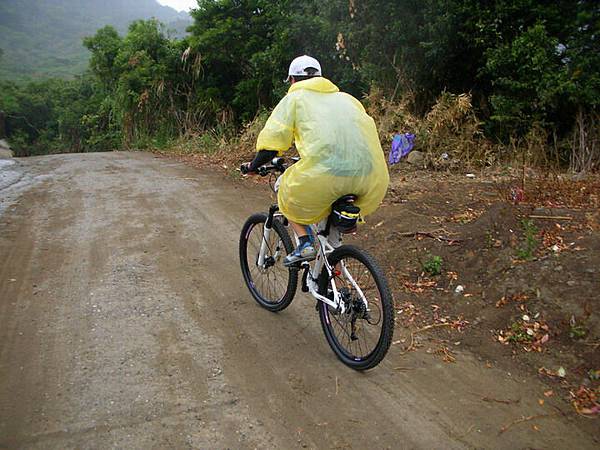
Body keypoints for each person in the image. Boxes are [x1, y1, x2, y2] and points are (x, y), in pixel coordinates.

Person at [243, 55, 389, 266]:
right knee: (331, 242)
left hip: (327, 175)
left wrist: (253, 166)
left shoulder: (295, 99)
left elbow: (271, 145)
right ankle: (331, 283)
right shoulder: (347, 99)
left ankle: (304, 243)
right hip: (368, 177)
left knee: (283, 187)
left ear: (292, 80)